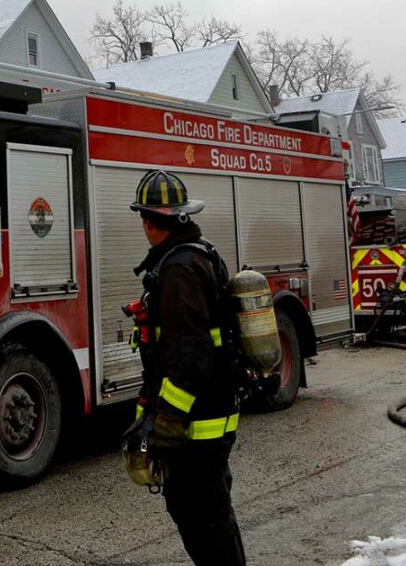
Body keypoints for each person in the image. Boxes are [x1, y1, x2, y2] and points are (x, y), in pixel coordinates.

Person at [124, 169, 245, 566]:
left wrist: (169, 419)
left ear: (147, 221)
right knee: (211, 514)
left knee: (202, 517)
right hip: (211, 411)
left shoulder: (178, 270)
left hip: (198, 421)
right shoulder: (198, 253)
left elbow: (190, 353)